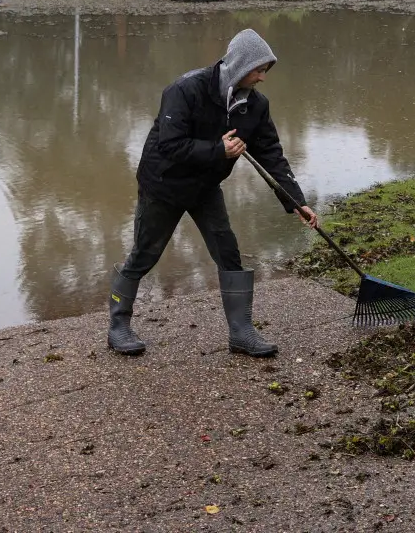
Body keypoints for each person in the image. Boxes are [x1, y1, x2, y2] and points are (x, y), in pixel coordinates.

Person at [107, 29, 318, 358]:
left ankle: (241, 332)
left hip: (205, 187)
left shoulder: (255, 106)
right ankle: (118, 325)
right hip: (163, 183)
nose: (263, 78)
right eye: (259, 69)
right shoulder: (185, 90)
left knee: (228, 252)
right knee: (145, 254)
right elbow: (170, 144)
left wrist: (297, 202)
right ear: (240, 64)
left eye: (266, 71)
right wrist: (217, 150)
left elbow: (271, 153)